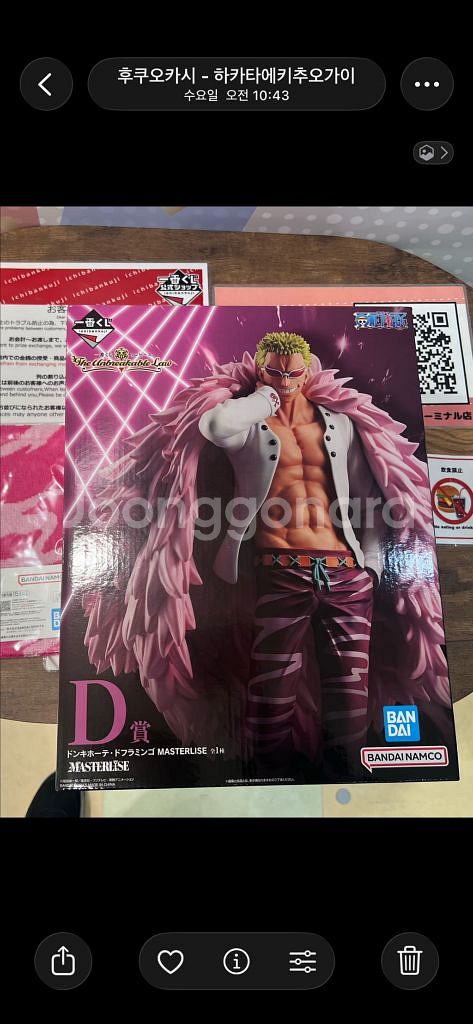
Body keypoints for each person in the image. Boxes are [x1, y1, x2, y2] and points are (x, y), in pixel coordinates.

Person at [84, 332, 450, 778]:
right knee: (269, 698)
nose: (286, 381)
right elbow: (213, 426)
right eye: (274, 371)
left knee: (350, 694)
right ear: (260, 369)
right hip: (280, 572)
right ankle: (271, 780)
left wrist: (371, 565)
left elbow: (367, 499)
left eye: (294, 372)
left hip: (346, 574)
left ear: (308, 370)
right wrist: (262, 398)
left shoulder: (339, 424)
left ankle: (350, 777)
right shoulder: (250, 426)